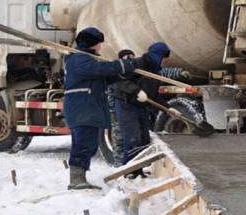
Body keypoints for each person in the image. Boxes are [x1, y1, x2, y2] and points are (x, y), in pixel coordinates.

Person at [64, 27, 134, 190]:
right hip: (83, 107)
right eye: (99, 43)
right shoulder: (81, 59)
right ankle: (76, 180)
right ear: (92, 43)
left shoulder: (83, 59)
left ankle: (78, 177)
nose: (101, 46)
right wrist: (122, 65)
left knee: (86, 142)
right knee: (84, 143)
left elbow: (102, 77)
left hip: (85, 107)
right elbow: (102, 69)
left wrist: (122, 72)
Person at [112, 42, 180, 166]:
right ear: (156, 55)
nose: (164, 61)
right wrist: (136, 91)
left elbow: (154, 96)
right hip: (126, 105)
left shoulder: (155, 70)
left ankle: (140, 170)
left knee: (144, 140)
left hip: (141, 108)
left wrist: (168, 108)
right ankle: (131, 172)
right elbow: (119, 80)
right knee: (133, 140)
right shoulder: (135, 64)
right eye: (163, 57)